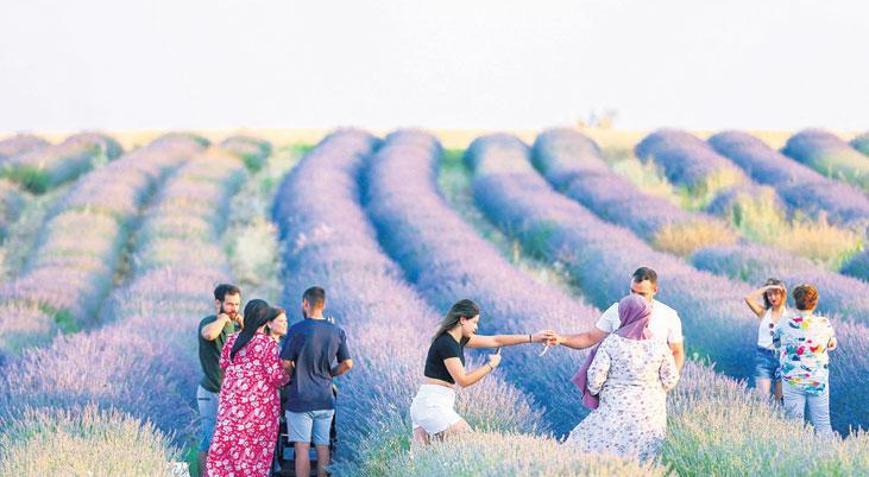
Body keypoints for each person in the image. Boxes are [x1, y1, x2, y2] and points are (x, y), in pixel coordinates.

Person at [409, 298, 556, 446]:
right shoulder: (447, 343)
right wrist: (490, 366)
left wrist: (532, 338)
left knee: (419, 461)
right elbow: (463, 381)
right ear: (462, 319)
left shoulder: (456, 340)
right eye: (474, 322)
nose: (476, 327)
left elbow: (496, 340)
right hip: (432, 405)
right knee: (470, 444)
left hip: (426, 403)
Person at [564, 294, 679, 461]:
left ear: (624, 314)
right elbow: (671, 379)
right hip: (651, 412)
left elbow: (595, 378)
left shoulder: (612, 342)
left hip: (615, 406)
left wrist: (595, 392)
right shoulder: (659, 344)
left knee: (590, 447)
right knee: (644, 457)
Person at [207, 300, 291, 477]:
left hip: (230, 406)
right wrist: (290, 372)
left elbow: (223, 367)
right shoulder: (268, 345)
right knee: (255, 456)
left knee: (227, 454)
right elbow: (276, 378)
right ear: (265, 321)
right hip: (260, 412)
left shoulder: (231, 340)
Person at [280, 287, 353, 477]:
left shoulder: (297, 329)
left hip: (300, 398)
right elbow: (348, 363)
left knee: (302, 448)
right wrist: (330, 373)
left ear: (305, 303)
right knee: (323, 446)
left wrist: (295, 374)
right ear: (324, 304)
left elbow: (285, 362)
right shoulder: (336, 331)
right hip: (325, 397)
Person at [554, 267, 685, 371]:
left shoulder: (668, 315)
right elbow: (590, 338)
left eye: (642, 294)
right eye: (632, 291)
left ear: (655, 290)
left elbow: (677, 351)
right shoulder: (616, 310)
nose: (635, 297)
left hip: (651, 391)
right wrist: (561, 339)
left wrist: (670, 380)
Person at [773, 284, 837, 437]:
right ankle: (831, 458)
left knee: (793, 426)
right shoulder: (824, 323)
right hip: (817, 380)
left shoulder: (783, 323)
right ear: (815, 302)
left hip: (792, 379)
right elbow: (832, 344)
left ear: (795, 301)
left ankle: (795, 457)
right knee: (822, 424)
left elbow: (776, 345)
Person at [196, 284, 242, 476]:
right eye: (230, 304)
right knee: (211, 438)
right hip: (211, 393)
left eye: (237, 304)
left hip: (231, 395)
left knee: (224, 441)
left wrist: (242, 321)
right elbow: (209, 334)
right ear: (218, 303)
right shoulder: (210, 321)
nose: (234, 309)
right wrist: (222, 318)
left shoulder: (237, 324)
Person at [744, 278, 788, 400]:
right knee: (762, 399)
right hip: (764, 357)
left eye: (776, 293)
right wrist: (766, 288)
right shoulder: (764, 313)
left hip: (782, 358)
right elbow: (748, 298)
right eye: (769, 294)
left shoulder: (789, 317)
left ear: (782, 294)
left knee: (780, 402)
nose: (772, 297)